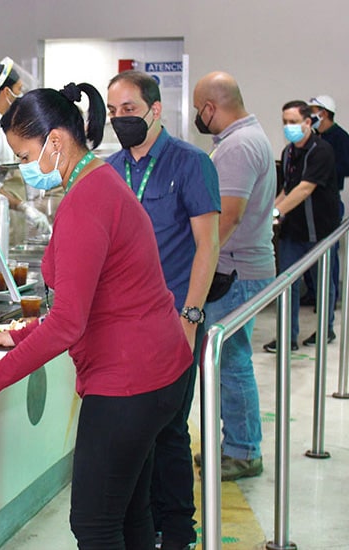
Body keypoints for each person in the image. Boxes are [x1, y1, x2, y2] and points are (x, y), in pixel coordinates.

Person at [0, 83, 193, 549]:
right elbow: (96, 299)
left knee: (94, 525)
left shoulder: (86, 199)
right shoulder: (96, 180)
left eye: (23, 153)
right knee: (131, 513)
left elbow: (69, 324)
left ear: (55, 141)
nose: (21, 166)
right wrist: (18, 335)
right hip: (157, 370)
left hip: (127, 383)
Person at [106, 70, 220, 550]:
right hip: (123, 329)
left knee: (169, 429)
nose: (119, 120)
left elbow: (207, 245)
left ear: (155, 110)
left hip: (175, 322)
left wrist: (191, 318)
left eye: (128, 110)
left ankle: (178, 532)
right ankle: (143, 527)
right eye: (113, 112)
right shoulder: (109, 169)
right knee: (133, 434)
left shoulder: (190, 163)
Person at [192, 72, 276, 481]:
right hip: (241, 266)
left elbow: (229, 215)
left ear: (211, 107)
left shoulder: (239, 146)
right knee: (228, 360)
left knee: (231, 361)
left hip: (236, 270)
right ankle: (232, 444)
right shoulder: (243, 139)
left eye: (199, 109)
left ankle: (243, 450)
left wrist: (200, 261)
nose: (197, 117)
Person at [263, 101, 341, 352]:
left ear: (308, 122)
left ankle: (325, 328)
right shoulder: (287, 153)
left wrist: (277, 211)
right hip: (293, 232)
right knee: (287, 284)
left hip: (320, 231)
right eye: (285, 122)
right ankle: (288, 336)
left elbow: (306, 188)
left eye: (294, 122)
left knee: (322, 284)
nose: (289, 127)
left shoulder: (321, 151)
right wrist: (269, 213)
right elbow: (287, 188)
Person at [0, 57, 52, 238]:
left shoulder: (3, 124)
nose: (21, 96)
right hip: (0, 215)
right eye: (19, 90)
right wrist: (23, 207)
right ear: (6, 92)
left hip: (11, 215)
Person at [302, 95, 349, 310]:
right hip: (307, 205)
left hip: (328, 203)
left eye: (313, 112)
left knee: (327, 253)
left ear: (323, 113)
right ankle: (313, 292)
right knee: (306, 252)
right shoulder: (311, 138)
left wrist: (320, 170)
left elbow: (345, 169)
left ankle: (329, 297)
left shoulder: (340, 138)